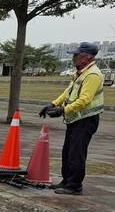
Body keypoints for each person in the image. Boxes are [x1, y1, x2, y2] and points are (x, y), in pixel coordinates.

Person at [39, 41, 103, 195]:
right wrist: (53, 103)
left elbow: (85, 100)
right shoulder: (80, 73)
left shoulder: (93, 74)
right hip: (75, 119)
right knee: (67, 151)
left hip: (86, 120)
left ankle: (75, 185)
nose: (73, 58)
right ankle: (66, 181)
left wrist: (63, 110)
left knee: (77, 153)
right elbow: (68, 92)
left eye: (76, 55)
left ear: (86, 57)